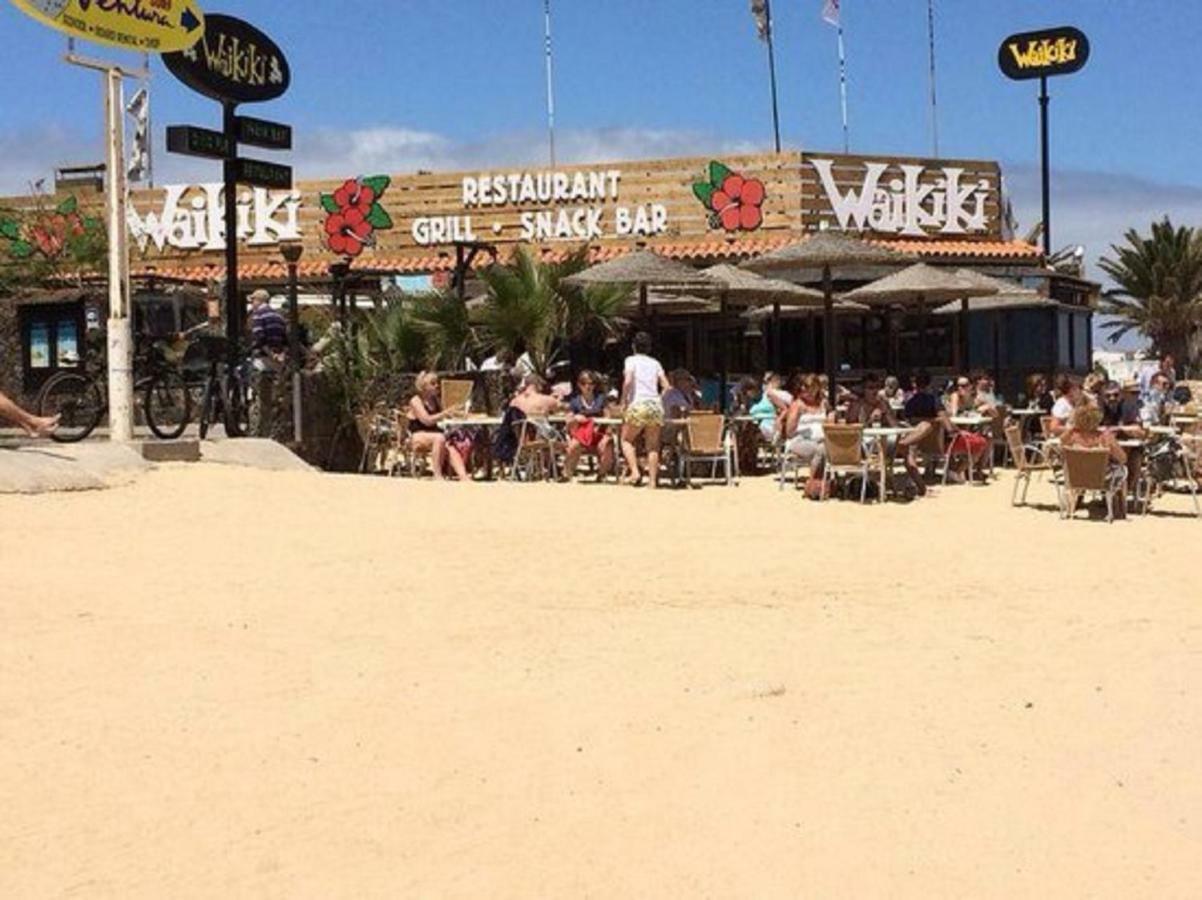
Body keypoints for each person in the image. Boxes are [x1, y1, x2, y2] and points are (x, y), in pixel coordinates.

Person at [620, 331, 670, 488]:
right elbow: (667, 386)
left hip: (638, 403)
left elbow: (628, 381)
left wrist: (624, 400)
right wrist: (658, 398)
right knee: (653, 446)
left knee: (626, 440)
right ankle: (653, 481)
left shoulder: (631, 360)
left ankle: (635, 471)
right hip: (654, 404)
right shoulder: (655, 363)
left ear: (634, 346)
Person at [406, 371, 470, 481]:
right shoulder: (416, 401)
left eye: (437, 383)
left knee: (450, 446)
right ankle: (437, 475)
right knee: (439, 438)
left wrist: (457, 412)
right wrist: (445, 413)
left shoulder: (435, 400)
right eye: (433, 383)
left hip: (433, 434)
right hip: (417, 435)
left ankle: (463, 476)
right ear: (424, 386)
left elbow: (444, 415)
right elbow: (427, 420)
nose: (437, 386)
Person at [563, 370, 614, 480]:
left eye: (591, 383)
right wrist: (575, 418)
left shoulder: (601, 399)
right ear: (579, 385)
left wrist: (606, 431)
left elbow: (608, 417)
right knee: (573, 446)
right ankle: (567, 474)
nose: (588, 386)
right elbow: (568, 419)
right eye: (584, 383)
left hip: (600, 432)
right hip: (582, 433)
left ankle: (601, 474)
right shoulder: (575, 401)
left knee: (606, 445)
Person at [781, 373, 829, 479]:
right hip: (799, 440)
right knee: (821, 450)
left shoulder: (823, 403)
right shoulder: (797, 405)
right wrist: (797, 419)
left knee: (836, 448)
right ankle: (814, 482)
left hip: (823, 440)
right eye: (802, 386)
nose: (804, 389)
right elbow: (789, 433)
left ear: (817, 387)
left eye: (807, 387)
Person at [247, 289, 288, 370]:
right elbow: (285, 339)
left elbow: (259, 338)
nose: (252, 303)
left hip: (263, 358)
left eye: (253, 300)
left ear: (259, 300)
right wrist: (280, 354)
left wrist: (270, 354)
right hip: (278, 358)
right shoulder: (279, 316)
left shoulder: (258, 315)